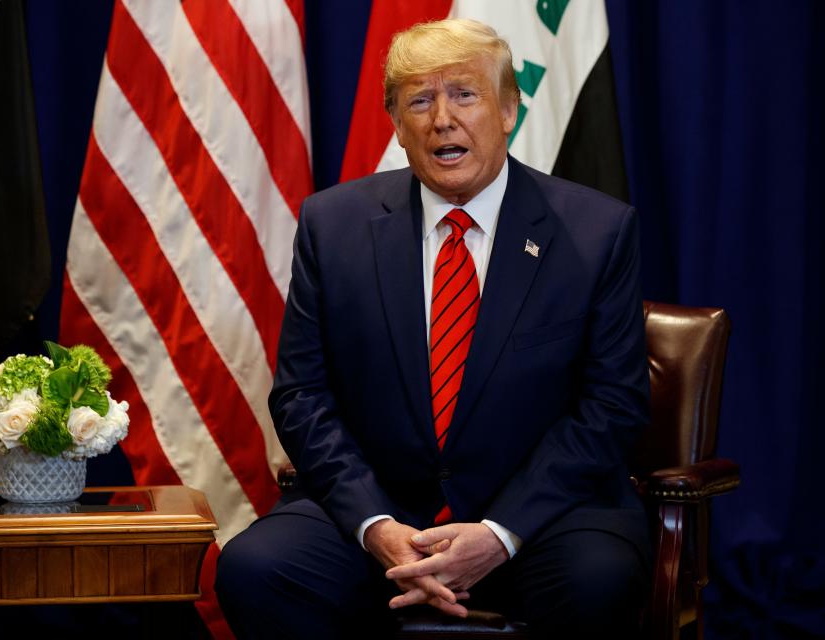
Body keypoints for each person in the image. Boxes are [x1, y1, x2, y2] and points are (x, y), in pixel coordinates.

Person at [215, 18, 652, 638]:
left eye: (464, 95)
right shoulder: (332, 225)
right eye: (419, 100)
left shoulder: (595, 232)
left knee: (598, 579)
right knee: (255, 568)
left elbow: (613, 406)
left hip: (545, 518)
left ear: (507, 110)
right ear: (397, 126)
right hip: (385, 514)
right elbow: (302, 395)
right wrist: (377, 527)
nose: (442, 118)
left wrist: (499, 535)